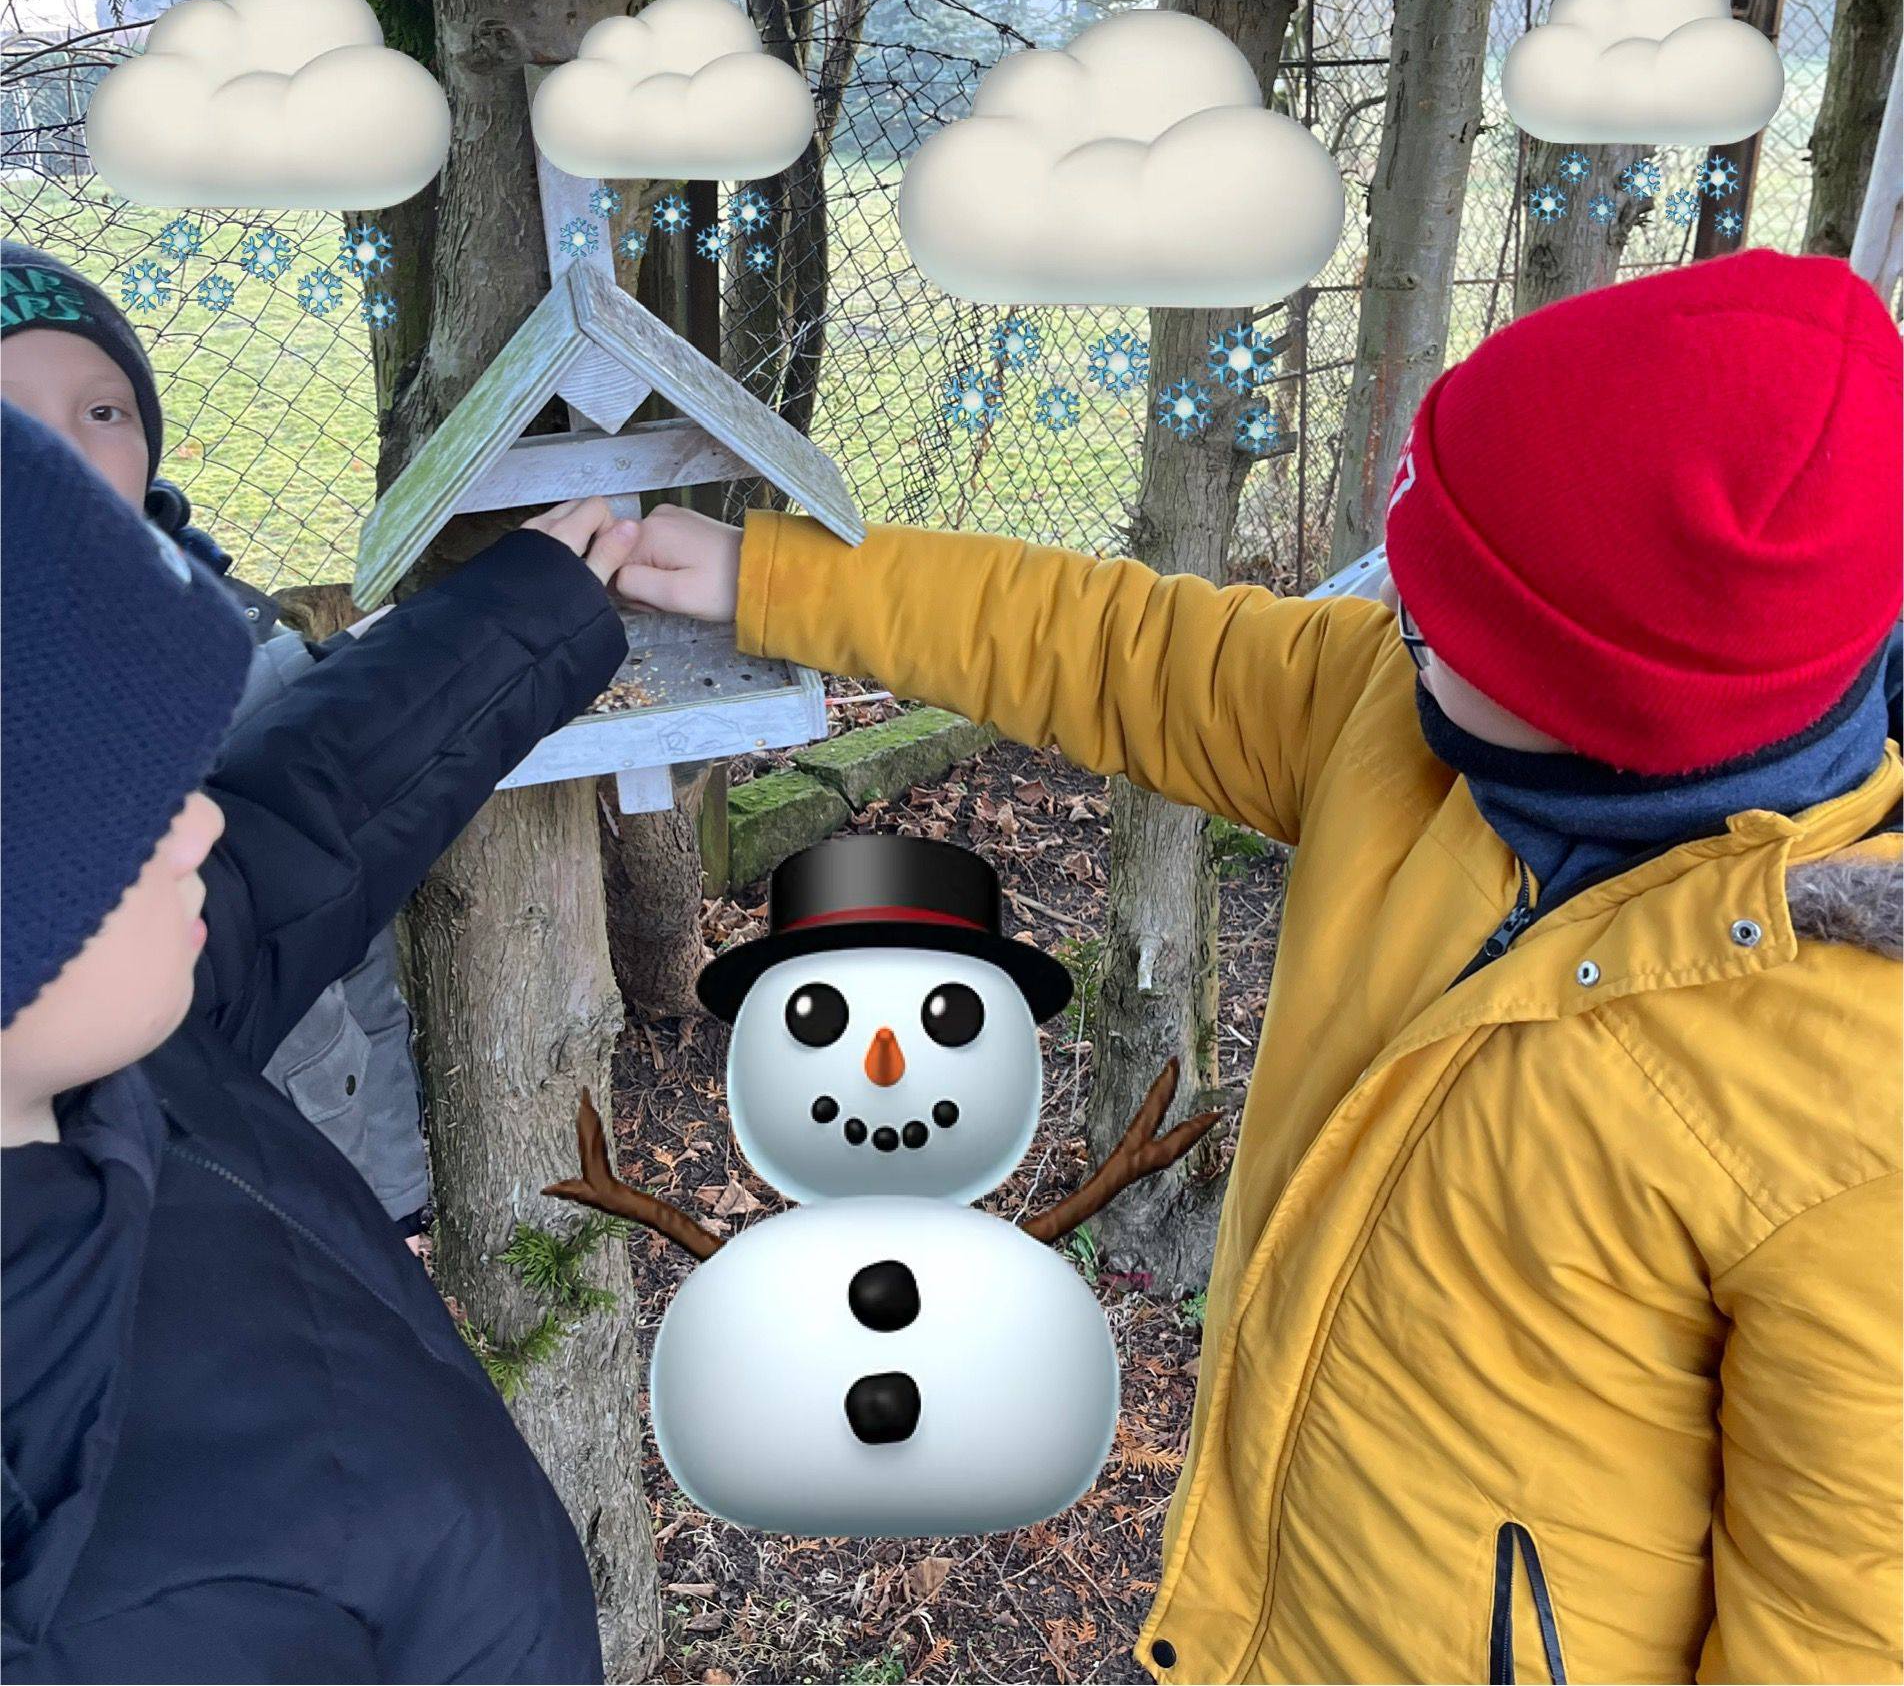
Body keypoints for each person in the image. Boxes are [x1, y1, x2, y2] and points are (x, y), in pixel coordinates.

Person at [608, 250, 1904, 1681]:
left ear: (1598, 693)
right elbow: (1113, 648)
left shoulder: (1849, 1112)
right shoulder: (1399, 727)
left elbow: (1842, 1629)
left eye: (1447, 606)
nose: (1398, 614)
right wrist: (773, 577)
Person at [1, 402, 646, 1679]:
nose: (192, 823)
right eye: (126, 801)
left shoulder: (98, 1063)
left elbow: (287, 830)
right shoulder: (96, 1618)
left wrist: (528, 610)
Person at [1, 241, 432, 1243]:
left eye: (103, 412)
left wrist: (393, 1195)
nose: (67, 452)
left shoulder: (255, 663)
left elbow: (356, 958)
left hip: (310, 1162)